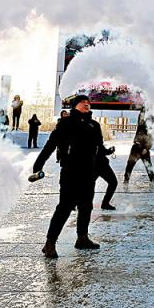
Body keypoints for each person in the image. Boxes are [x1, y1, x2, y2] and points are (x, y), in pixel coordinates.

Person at [32, 95, 105, 258]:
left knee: (86, 206)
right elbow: (50, 146)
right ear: (75, 105)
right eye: (83, 102)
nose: (87, 104)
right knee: (65, 207)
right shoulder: (66, 124)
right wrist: (38, 166)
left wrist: (104, 159)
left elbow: (100, 148)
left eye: (88, 103)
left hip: (89, 172)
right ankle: (50, 243)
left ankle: (82, 238)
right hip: (70, 171)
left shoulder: (94, 125)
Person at [124, 108, 154, 185]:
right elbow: (141, 115)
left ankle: (152, 181)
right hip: (137, 147)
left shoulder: (151, 128)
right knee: (130, 165)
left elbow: (151, 139)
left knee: (148, 166)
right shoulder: (141, 123)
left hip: (144, 148)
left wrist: (147, 148)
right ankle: (126, 180)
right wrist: (145, 107)